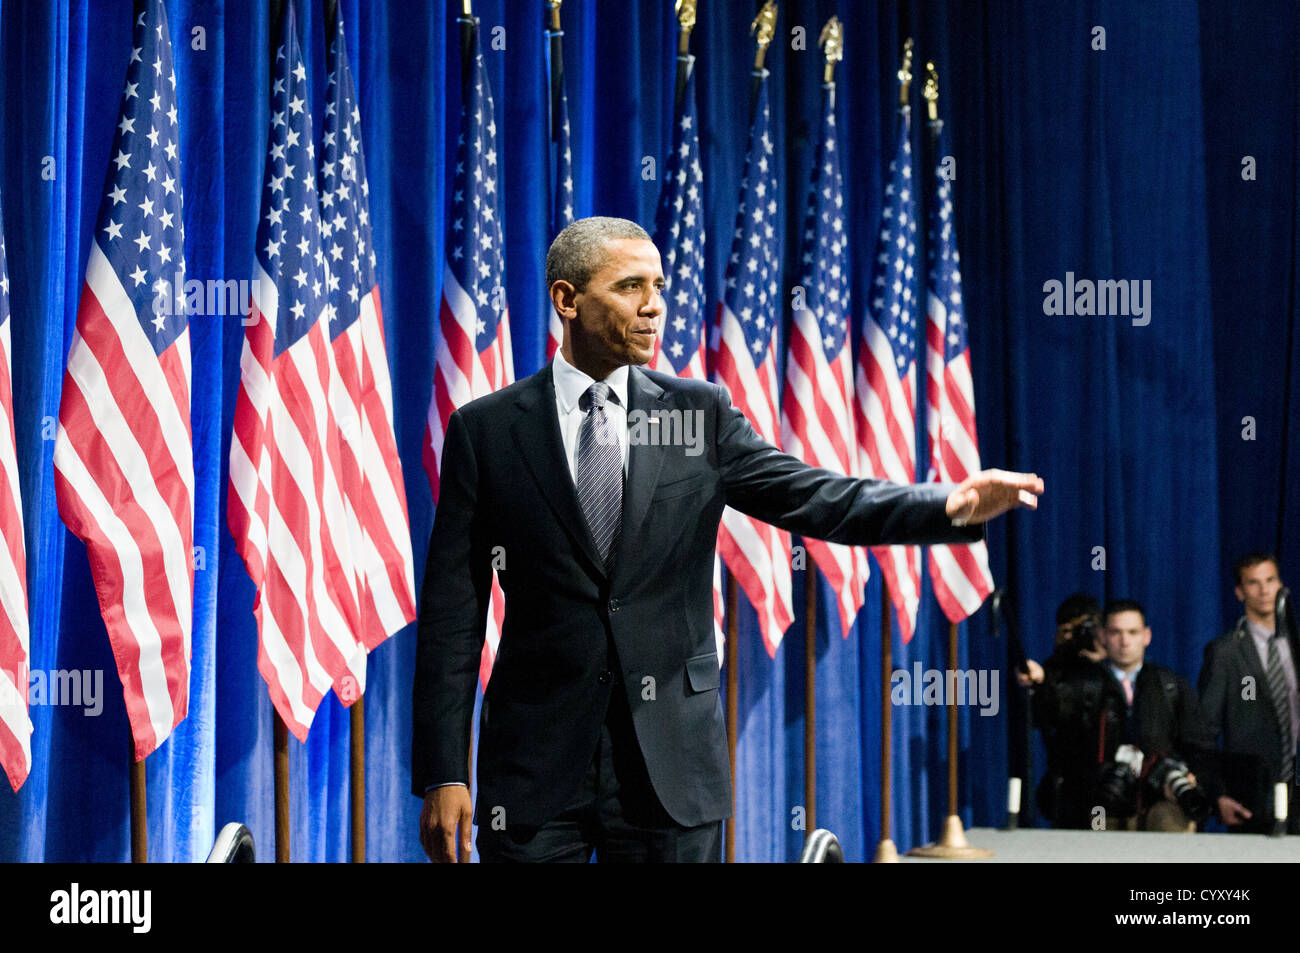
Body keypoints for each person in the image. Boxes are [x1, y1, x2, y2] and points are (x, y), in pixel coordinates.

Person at [411, 216, 1044, 863]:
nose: (654, 305)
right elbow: (451, 618)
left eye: (658, 285)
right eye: (630, 286)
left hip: (671, 770)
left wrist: (947, 502)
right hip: (534, 768)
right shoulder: (486, 432)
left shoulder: (698, 414)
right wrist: (444, 772)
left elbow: (818, 498)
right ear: (567, 299)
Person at [1032, 598, 1217, 831]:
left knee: (1171, 828)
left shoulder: (1169, 685)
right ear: (1102, 637)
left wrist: (1191, 776)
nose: (1125, 641)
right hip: (1098, 805)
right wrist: (1041, 681)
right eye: (1115, 632)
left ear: (1146, 636)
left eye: (1132, 632)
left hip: (1159, 802)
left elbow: (1199, 744)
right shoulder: (1081, 683)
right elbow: (1049, 716)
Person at [1198, 552, 1299, 833]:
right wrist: (1217, 794)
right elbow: (1204, 731)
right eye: (1254, 583)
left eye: (1271, 580)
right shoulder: (1225, 653)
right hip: (1253, 795)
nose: (1265, 590)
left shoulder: (1296, 646)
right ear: (1240, 592)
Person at [1021, 593, 1106, 822]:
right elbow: (1052, 715)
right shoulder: (1055, 669)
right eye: (1067, 631)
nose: (1077, 638)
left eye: (1082, 630)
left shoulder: (1117, 669)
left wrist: (1104, 662)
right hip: (1069, 783)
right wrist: (1041, 681)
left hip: (1113, 785)